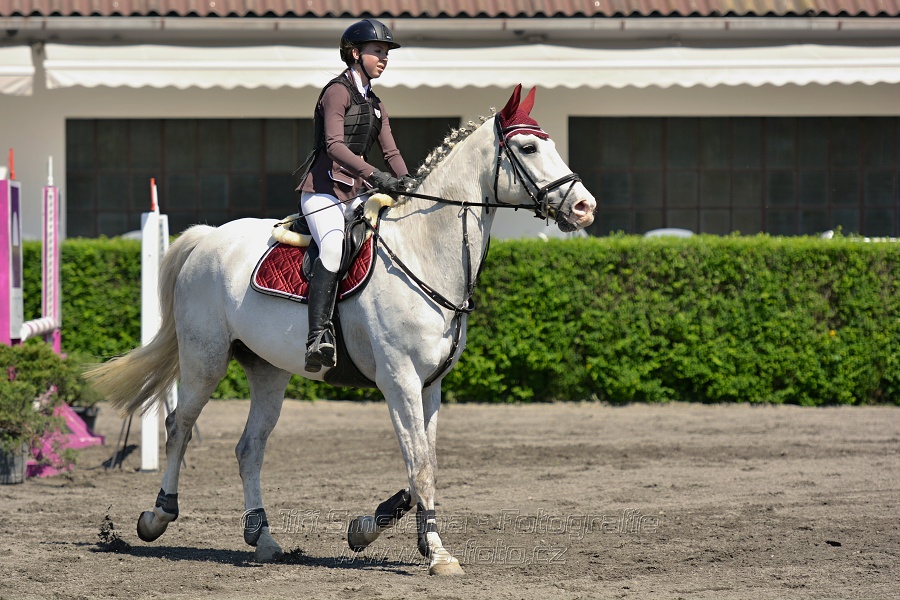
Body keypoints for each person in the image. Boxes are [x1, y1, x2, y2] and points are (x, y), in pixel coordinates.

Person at [296, 18, 412, 373]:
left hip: (356, 194)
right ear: (355, 53)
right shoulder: (337, 91)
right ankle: (317, 336)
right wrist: (376, 176)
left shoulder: (376, 103)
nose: (384, 58)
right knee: (332, 245)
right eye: (378, 51)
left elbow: (391, 154)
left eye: (387, 52)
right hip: (323, 192)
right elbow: (333, 145)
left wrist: (409, 183)